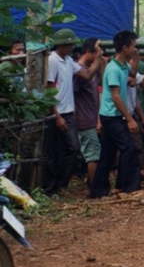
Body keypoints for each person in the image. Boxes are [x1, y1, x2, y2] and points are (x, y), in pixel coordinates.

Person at [43, 28, 103, 195]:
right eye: (68, 44)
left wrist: (98, 59)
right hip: (57, 112)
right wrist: (56, 115)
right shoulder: (53, 61)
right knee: (55, 150)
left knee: (70, 149)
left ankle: (60, 184)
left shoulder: (69, 61)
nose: (71, 47)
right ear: (60, 45)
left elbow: (88, 75)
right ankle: (51, 187)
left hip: (68, 112)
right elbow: (48, 88)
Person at [90, 31, 143, 198]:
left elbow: (132, 73)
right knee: (128, 148)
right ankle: (128, 185)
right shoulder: (113, 68)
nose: (134, 49)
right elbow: (115, 96)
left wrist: (136, 56)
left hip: (112, 115)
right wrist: (129, 119)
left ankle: (99, 189)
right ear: (125, 48)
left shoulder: (122, 66)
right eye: (133, 46)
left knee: (108, 152)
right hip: (112, 116)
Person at [73, 38, 105, 187]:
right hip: (83, 119)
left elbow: (101, 84)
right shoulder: (79, 71)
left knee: (94, 152)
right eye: (97, 51)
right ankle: (95, 186)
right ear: (88, 52)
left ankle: (93, 183)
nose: (101, 54)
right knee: (93, 154)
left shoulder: (92, 69)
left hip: (92, 118)